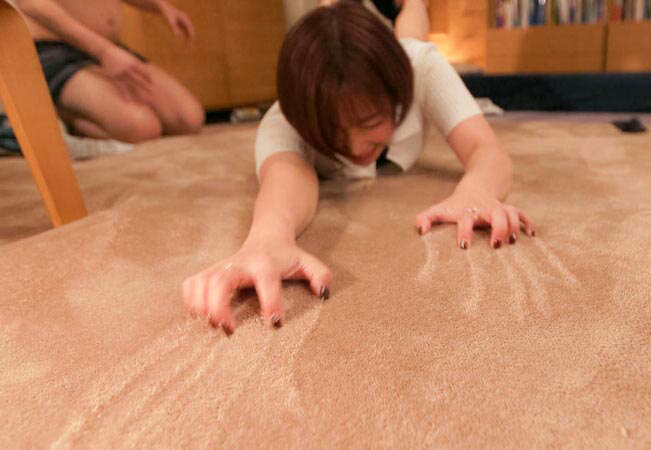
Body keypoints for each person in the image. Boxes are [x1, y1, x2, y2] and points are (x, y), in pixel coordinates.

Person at [181, 1, 535, 333]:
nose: (354, 149)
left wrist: (476, 190)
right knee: (330, 23)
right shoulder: (286, 119)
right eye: (333, 134)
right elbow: (285, 178)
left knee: (411, 34)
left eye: (369, 122)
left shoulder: (421, 67)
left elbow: (486, 149)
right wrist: (267, 238)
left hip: (407, 54)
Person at [11, 0, 204, 144]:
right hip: (54, 49)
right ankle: (61, 117)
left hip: (107, 48)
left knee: (188, 119)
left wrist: (161, 6)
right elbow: (32, 4)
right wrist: (103, 51)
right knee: (142, 128)